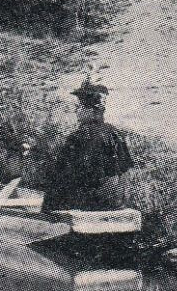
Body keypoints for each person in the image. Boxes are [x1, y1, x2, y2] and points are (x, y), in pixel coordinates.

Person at [42, 79, 134, 210]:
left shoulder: (79, 136)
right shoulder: (115, 133)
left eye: (78, 107)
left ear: (90, 110)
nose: (75, 111)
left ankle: (47, 219)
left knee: (57, 179)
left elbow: (65, 175)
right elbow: (125, 171)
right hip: (117, 201)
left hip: (93, 203)